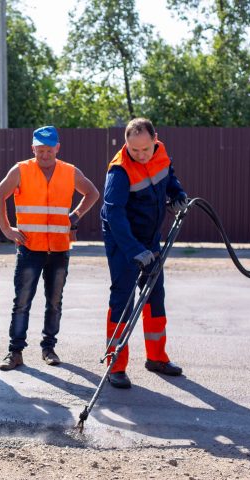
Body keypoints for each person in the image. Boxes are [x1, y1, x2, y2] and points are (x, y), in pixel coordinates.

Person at [0, 126, 99, 371]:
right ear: (33, 148)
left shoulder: (70, 171)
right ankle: (15, 352)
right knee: (22, 302)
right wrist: (7, 230)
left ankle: (48, 348)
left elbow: (92, 193)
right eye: (40, 150)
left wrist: (76, 215)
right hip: (30, 248)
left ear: (57, 148)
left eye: (49, 150)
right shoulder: (21, 170)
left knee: (54, 302)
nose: (45, 154)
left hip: (59, 249)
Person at [101, 117, 189, 389]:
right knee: (124, 299)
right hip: (123, 241)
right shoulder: (119, 171)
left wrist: (177, 194)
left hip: (150, 238)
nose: (140, 155)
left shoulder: (161, 154)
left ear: (155, 140)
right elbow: (114, 215)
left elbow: (169, 179)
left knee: (154, 295)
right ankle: (115, 366)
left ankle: (156, 358)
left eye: (145, 149)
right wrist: (134, 250)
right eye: (134, 149)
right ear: (126, 144)